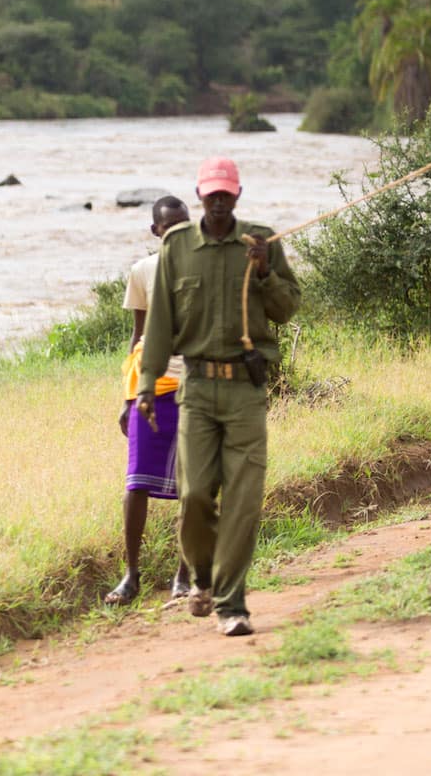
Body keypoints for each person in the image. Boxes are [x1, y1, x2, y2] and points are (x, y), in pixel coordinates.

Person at [139, 157, 300, 638]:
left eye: (226, 194)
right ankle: (202, 577)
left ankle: (232, 604)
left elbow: (287, 308)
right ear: (199, 196)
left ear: (238, 195)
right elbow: (161, 321)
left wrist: (265, 270)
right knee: (193, 495)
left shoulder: (260, 241)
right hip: (197, 389)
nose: (218, 201)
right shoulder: (177, 247)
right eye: (211, 194)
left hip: (246, 391)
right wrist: (145, 386)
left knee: (244, 501)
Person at [105, 195, 194, 606]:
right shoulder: (142, 272)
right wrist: (127, 396)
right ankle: (131, 575)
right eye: (170, 226)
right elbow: (137, 338)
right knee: (136, 483)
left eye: (184, 224)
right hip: (149, 389)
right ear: (156, 231)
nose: (178, 231)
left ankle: (183, 574)